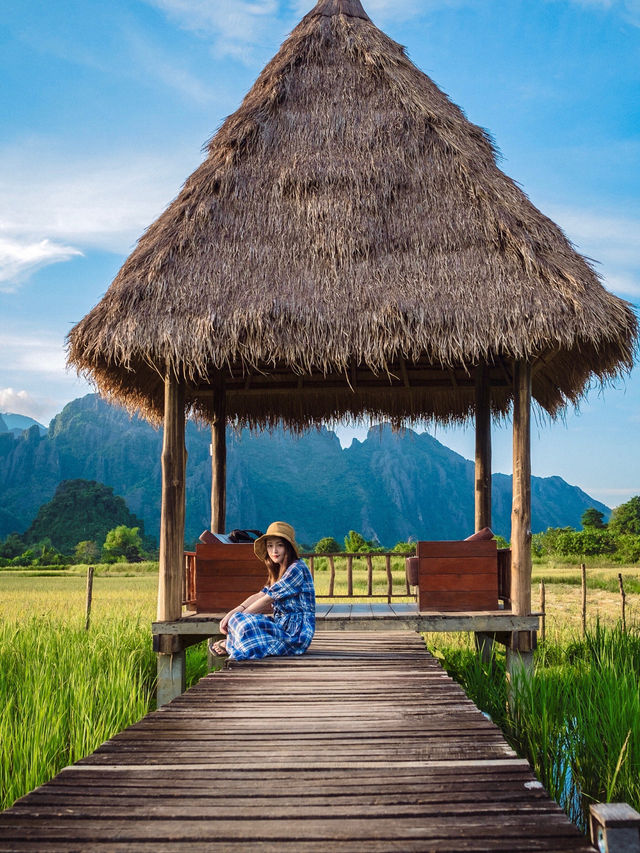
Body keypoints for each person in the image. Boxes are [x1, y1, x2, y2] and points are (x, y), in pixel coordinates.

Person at [208, 521, 315, 660]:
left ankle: (230, 645)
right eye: (270, 546)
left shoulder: (297, 569)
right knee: (249, 623)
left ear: (288, 547)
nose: (274, 551)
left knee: (245, 624)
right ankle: (235, 643)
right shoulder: (279, 570)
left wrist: (239, 619)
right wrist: (233, 612)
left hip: (296, 635)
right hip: (281, 625)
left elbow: (267, 599)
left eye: (280, 545)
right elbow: (261, 594)